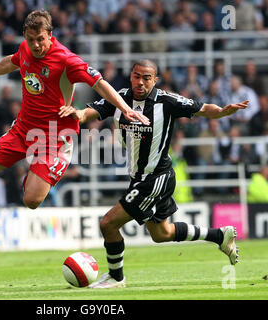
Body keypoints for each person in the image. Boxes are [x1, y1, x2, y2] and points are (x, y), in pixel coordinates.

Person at [0, 9, 148, 238]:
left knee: (31, 200)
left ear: (50, 35)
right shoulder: (26, 49)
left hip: (54, 138)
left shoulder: (66, 59)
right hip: (22, 130)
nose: (36, 45)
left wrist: (125, 109)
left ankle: (37, 170)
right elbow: (12, 61)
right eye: (31, 39)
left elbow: (100, 83)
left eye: (41, 39)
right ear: (25, 36)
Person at [59, 59, 248, 288]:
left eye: (147, 78)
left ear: (154, 80)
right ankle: (220, 236)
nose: (141, 82)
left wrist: (222, 112)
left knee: (108, 224)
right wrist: (77, 114)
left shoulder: (166, 101)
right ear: (131, 76)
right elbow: (94, 111)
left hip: (156, 178)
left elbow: (201, 108)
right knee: (162, 233)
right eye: (137, 76)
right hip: (140, 177)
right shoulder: (120, 97)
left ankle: (116, 278)